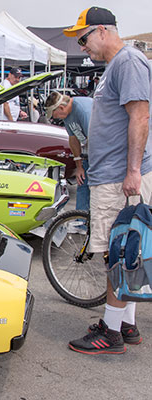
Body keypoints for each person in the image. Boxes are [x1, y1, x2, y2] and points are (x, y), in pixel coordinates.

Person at [63, 6, 152, 355]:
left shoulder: (127, 62)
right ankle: (124, 323)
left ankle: (112, 333)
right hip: (114, 175)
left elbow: (141, 116)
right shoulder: (117, 66)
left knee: (114, 254)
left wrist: (132, 171)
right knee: (124, 251)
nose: (82, 46)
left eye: (83, 38)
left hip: (120, 178)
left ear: (102, 30)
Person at [45, 91, 92, 210]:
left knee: (97, 189)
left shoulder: (83, 110)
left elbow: (95, 139)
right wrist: (79, 166)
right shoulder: (67, 115)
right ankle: (80, 220)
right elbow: (73, 139)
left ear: (61, 107)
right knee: (82, 183)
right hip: (89, 152)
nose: (54, 118)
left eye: (54, 114)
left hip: (101, 152)